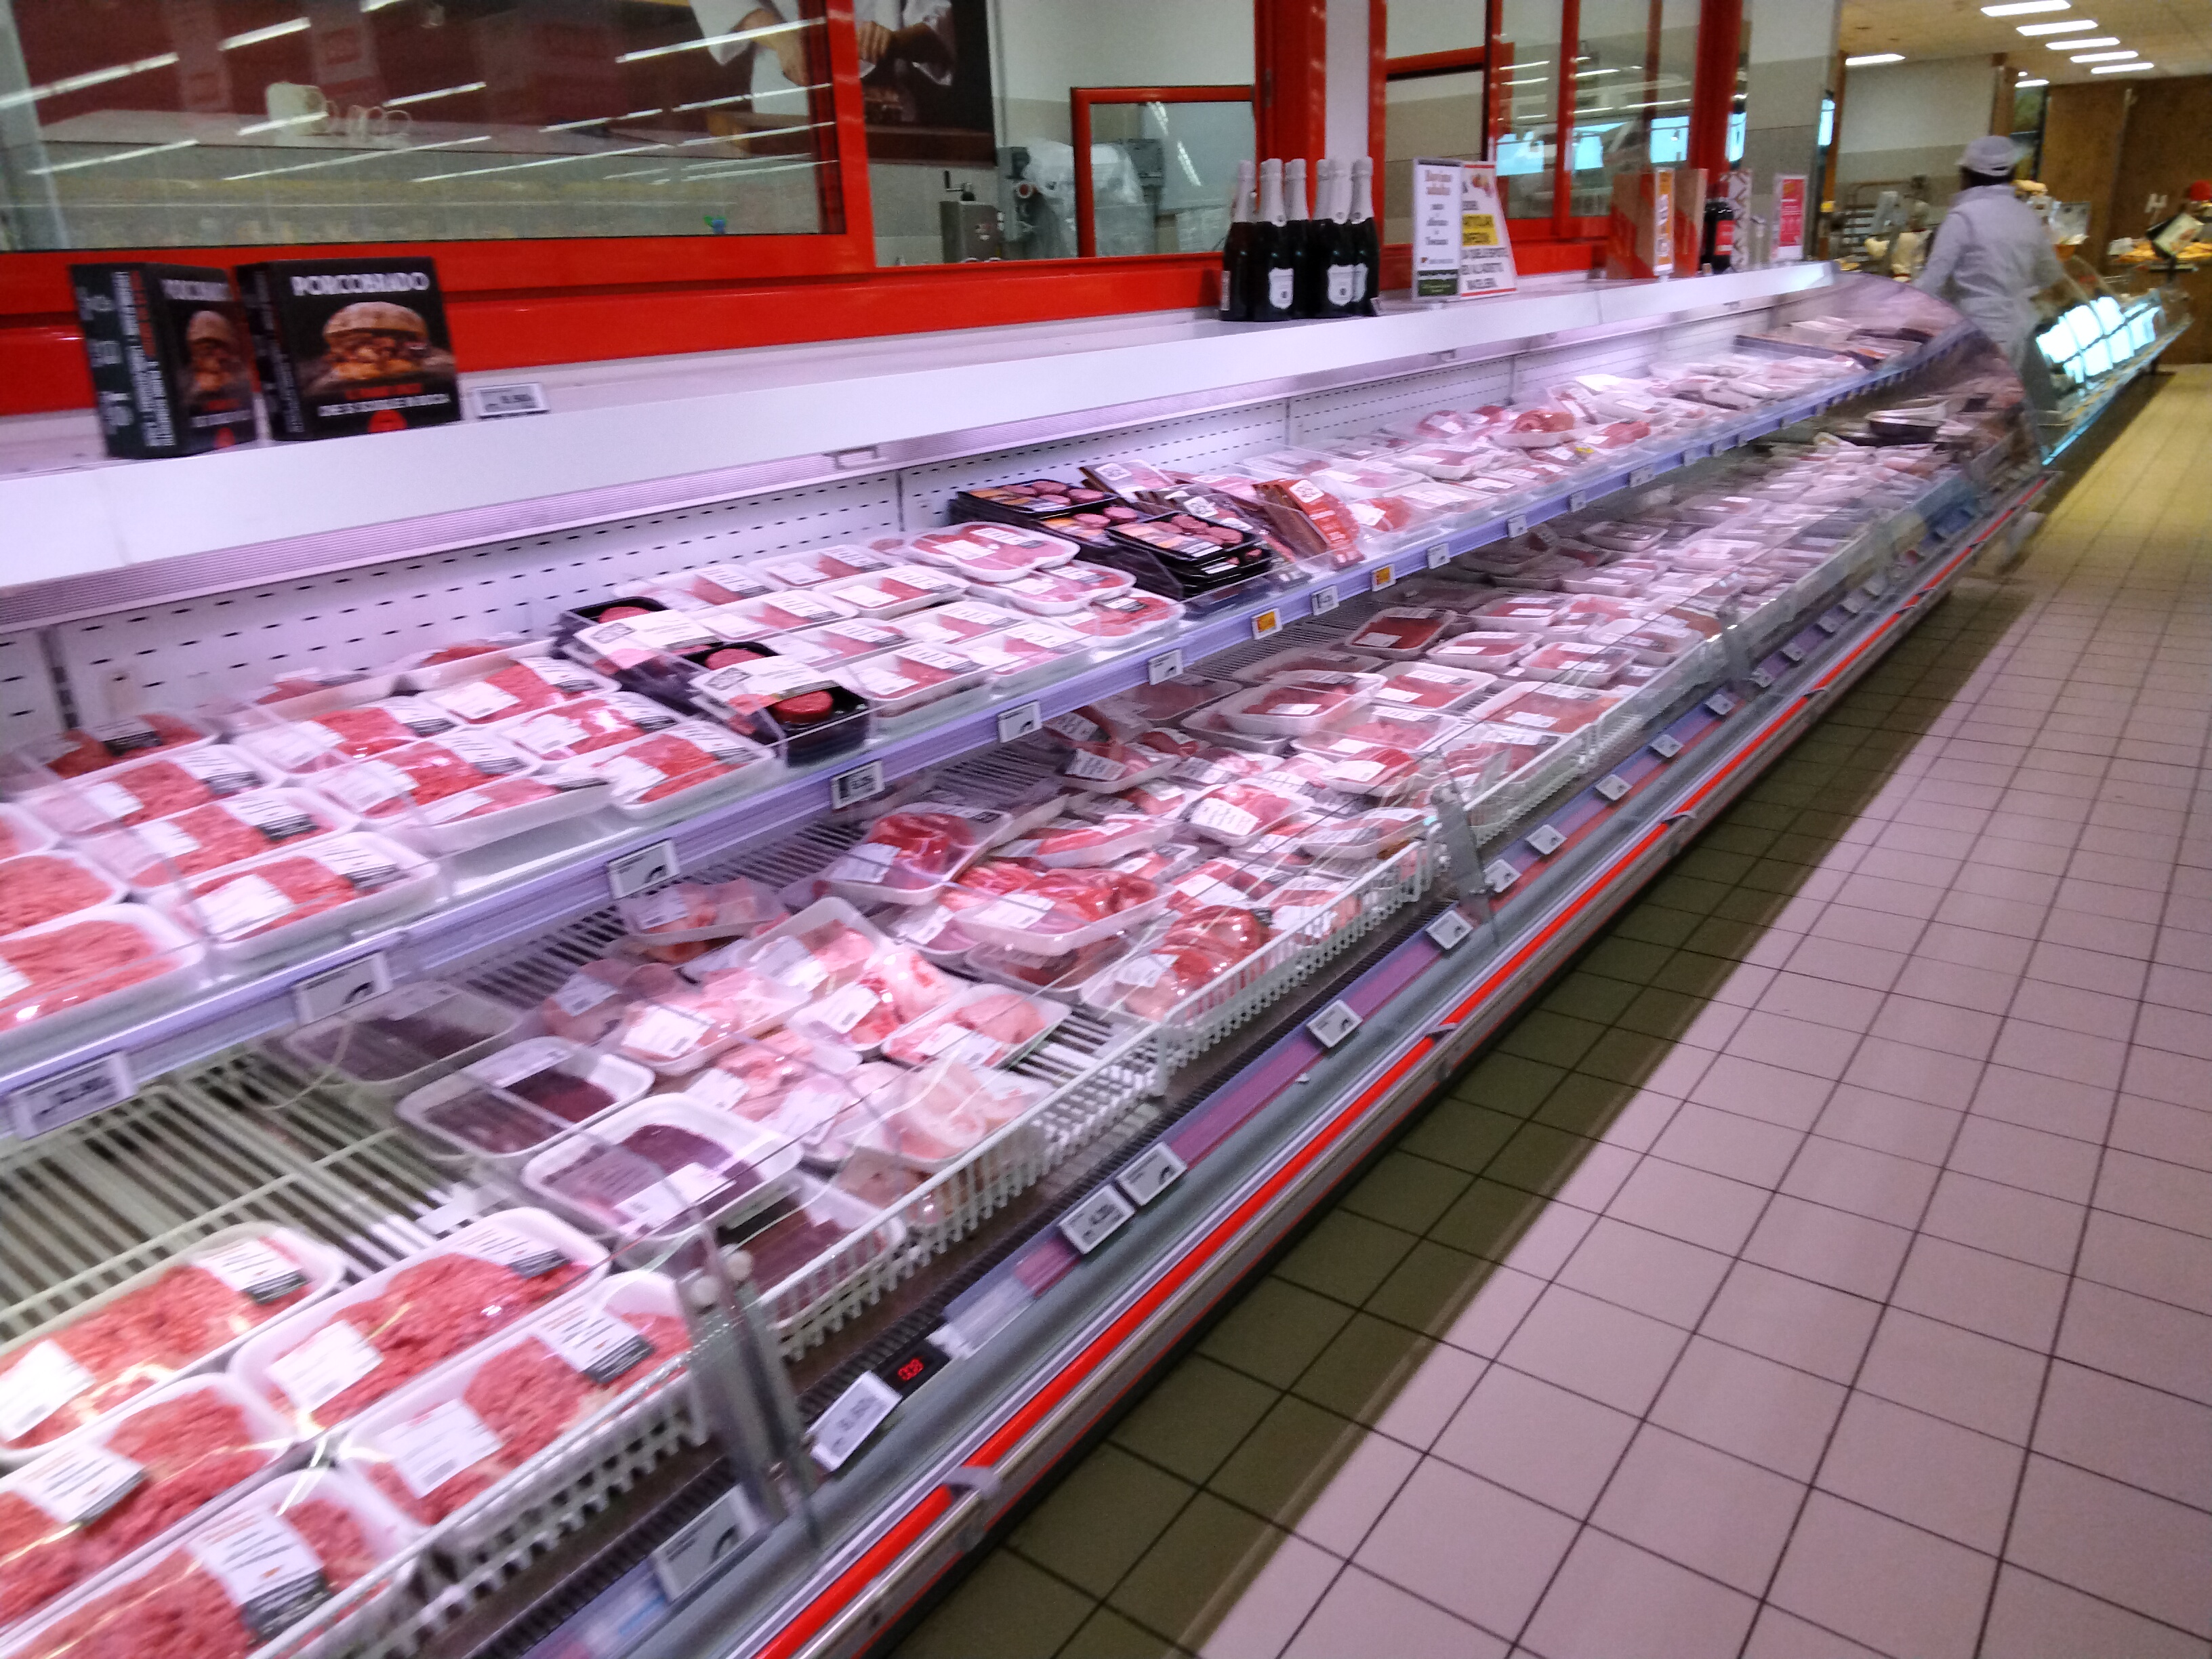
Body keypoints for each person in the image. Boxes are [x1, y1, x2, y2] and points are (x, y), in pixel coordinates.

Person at [1914, 136, 2087, 374]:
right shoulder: (2026, 217)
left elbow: (1931, 282)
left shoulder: (1962, 218)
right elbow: (2050, 274)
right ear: (2012, 173)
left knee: (1979, 392)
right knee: (2005, 390)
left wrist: (1898, 316)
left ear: (1966, 175)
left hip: (1976, 329)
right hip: (2019, 328)